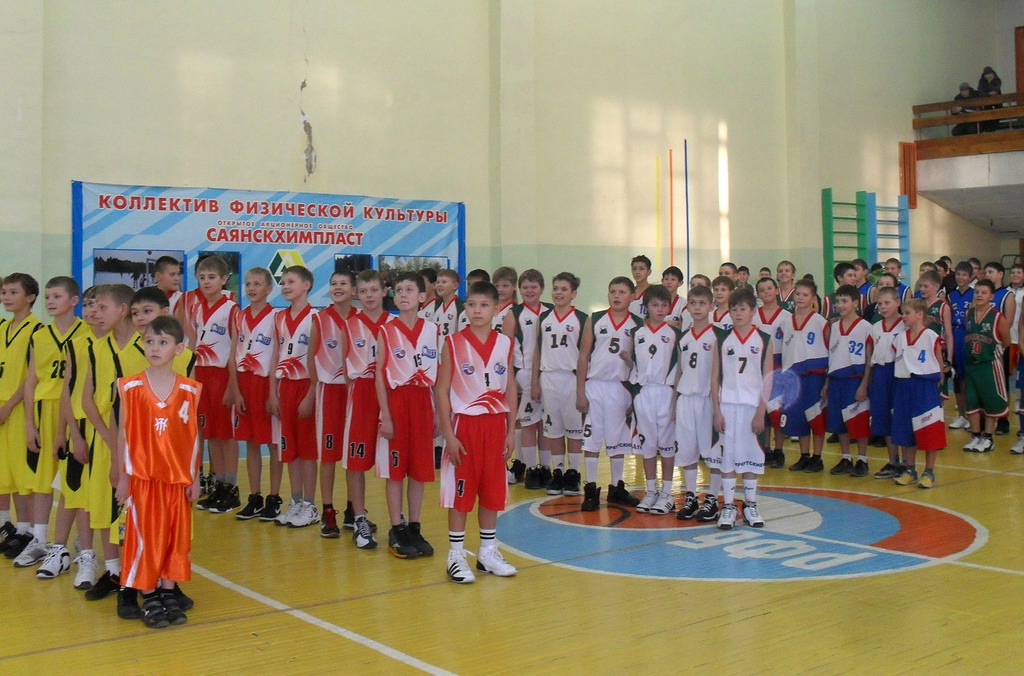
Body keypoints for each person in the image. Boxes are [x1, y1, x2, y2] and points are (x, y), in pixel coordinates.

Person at [114, 317, 202, 628]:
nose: (155, 347)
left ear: (179, 349)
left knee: (174, 539)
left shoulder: (189, 389)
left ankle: (167, 593)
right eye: (150, 341)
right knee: (145, 540)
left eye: (163, 342)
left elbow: (193, 436)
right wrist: (123, 478)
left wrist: (195, 476)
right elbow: (124, 434)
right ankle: (148, 594)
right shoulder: (130, 387)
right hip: (143, 479)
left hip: (176, 480)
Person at [437, 281, 518, 584]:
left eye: (484, 305)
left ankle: (487, 552)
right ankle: (456, 555)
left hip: (495, 425)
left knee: (492, 491)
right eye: (471, 304)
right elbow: (442, 390)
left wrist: (511, 431)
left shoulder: (505, 343)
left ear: (496, 309)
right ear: (465, 308)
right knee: (460, 493)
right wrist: (448, 434)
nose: (477, 310)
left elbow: (510, 387)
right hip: (465, 426)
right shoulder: (453, 342)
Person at [18, 277, 84, 577]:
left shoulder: (86, 333)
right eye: (47, 297)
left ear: (73, 300)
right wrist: (29, 423)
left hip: (74, 413)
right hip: (45, 411)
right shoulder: (40, 335)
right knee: (42, 481)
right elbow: (30, 381)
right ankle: (39, 540)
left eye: (57, 296)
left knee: (73, 481)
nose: (50, 302)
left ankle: (81, 544)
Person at [376, 272, 440, 559]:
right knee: (395, 471)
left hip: (423, 402)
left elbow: (439, 375)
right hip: (398, 401)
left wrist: (438, 414)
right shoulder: (387, 330)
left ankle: (414, 526)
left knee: (419, 470)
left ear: (422, 297)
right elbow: (379, 376)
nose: (403, 294)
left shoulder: (433, 330)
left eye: (410, 290)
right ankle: (397, 528)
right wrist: (386, 416)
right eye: (399, 290)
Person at [575, 277, 642, 510]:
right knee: (592, 440)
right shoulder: (595, 319)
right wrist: (580, 391)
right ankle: (591, 489)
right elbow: (583, 355)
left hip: (620, 387)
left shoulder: (638, 324)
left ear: (632, 296)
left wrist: (634, 392)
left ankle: (616, 487)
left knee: (618, 440)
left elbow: (640, 364)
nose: (616, 296)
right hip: (595, 385)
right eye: (613, 291)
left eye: (622, 292)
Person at [710, 287, 772, 529]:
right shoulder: (723, 339)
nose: (737, 313)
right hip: (727, 406)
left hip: (751, 408)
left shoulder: (764, 339)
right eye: (734, 309)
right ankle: (728, 506)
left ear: (753, 311)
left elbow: (768, 379)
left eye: (742, 309)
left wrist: (761, 412)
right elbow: (714, 378)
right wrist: (716, 410)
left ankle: (750, 504)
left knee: (751, 457)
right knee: (728, 458)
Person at [186, 255, 241, 513]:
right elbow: (193, 345)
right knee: (211, 434)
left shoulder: (231, 309)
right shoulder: (196, 308)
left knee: (227, 434)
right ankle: (218, 484)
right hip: (202, 375)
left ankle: (231, 487)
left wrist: (232, 383)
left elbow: (235, 348)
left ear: (224, 279)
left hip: (222, 375)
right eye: (202, 277)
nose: (206, 282)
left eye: (211, 277)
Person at [342, 270, 392, 548]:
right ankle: (359, 518)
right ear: (356, 294)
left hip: (390, 396)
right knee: (355, 459)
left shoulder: (394, 324)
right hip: (361, 394)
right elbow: (346, 369)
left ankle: (398, 520)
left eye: (374, 290)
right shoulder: (349, 325)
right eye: (363, 291)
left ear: (384, 291)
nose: (369, 295)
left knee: (394, 462)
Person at [267, 266, 319, 528]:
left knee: (307, 450)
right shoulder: (278, 317)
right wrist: (272, 391)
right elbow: (275, 355)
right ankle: (296, 501)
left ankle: (310, 505)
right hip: (285, 387)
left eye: (291, 281)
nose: (285, 286)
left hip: (305, 386)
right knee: (289, 449)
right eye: (283, 282)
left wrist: (311, 393)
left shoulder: (316, 317)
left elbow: (318, 358)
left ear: (306, 285)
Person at [308, 270, 357, 537]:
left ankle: (353, 509)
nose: (338, 287)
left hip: (354, 394)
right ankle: (328, 510)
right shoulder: (320, 318)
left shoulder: (360, 319)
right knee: (327, 456)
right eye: (333, 283)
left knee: (353, 456)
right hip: (329, 392)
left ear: (354, 290)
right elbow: (310, 358)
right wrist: (313, 390)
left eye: (343, 283)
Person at [0, 274, 44, 563]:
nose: (6, 297)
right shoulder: (3, 327)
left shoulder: (37, 330)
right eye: (4, 292)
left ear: (29, 297)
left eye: (13, 292)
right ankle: (10, 526)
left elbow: (30, 378)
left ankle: (26, 530)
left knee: (23, 474)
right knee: (5, 472)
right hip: (2, 406)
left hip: (18, 408)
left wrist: (8, 406)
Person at [231, 268, 281, 521]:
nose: (251, 288)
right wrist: (235, 389)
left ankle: (274, 497)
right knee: (250, 443)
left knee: (273, 443)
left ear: (269, 289)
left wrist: (273, 393)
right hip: (244, 383)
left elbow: (276, 357)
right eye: (248, 284)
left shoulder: (276, 317)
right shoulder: (239, 316)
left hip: (265, 384)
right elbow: (233, 354)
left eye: (257, 284)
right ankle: (255, 496)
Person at [532, 272, 588, 496]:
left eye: (564, 289)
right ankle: (559, 472)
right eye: (555, 288)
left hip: (571, 378)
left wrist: (583, 386)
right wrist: (534, 381)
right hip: (548, 377)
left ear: (573, 294)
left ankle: (573, 473)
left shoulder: (582, 319)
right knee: (553, 429)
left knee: (574, 429)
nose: (558, 292)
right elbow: (537, 351)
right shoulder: (544, 318)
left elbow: (585, 355)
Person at [628, 285, 681, 515]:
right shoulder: (637, 333)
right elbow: (634, 366)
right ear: (646, 307)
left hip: (665, 392)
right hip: (644, 393)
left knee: (667, 444)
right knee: (647, 444)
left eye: (664, 305)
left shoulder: (675, 334)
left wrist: (676, 398)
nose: (660, 309)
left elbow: (679, 369)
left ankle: (667, 493)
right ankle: (651, 490)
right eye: (655, 305)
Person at [502, 269, 552, 489]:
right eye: (525, 287)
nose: (530, 291)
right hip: (523, 373)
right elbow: (504, 349)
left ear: (541, 289)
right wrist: (510, 379)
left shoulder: (551, 311)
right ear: (519, 289)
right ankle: (531, 469)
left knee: (547, 424)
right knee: (529, 423)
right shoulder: (514, 313)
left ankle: (546, 469)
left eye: (534, 287)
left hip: (548, 373)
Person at [893, 299, 948, 488]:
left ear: (919, 314)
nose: (903, 316)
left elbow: (939, 363)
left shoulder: (931, 336)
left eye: (907, 312)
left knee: (929, 430)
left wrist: (939, 385)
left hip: (925, 387)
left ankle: (929, 472)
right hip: (904, 386)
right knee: (906, 431)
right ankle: (910, 470)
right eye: (903, 313)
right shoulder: (900, 338)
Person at [674, 284, 718, 520]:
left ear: (711, 306)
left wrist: (718, 407)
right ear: (687, 307)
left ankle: (713, 498)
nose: (697, 307)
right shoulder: (683, 337)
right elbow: (679, 371)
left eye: (702, 303)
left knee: (712, 453)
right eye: (693, 303)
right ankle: (691, 496)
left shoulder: (718, 335)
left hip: (707, 400)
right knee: (687, 452)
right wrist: (674, 402)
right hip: (685, 400)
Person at [823, 285, 873, 477]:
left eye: (845, 301)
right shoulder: (834, 327)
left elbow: (869, 359)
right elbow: (832, 357)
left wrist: (864, 384)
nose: (840, 305)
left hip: (855, 380)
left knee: (858, 421)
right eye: (838, 301)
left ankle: (862, 459)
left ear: (855, 303)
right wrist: (827, 383)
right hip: (837, 380)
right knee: (839, 422)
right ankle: (846, 457)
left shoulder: (865, 327)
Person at [782, 278, 830, 472]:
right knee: (799, 417)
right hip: (795, 376)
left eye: (805, 294)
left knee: (815, 417)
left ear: (813, 298)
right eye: (798, 294)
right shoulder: (787, 321)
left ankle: (817, 457)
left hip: (815, 376)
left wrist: (827, 381)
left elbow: (830, 351)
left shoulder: (820, 322)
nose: (800, 298)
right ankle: (804, 456)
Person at [962, 280, 1009, 453]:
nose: (979, 295)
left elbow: (1006, 341)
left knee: (991, 402)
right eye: (977, 292)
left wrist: (994, 353)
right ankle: (976, 435)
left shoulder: (997, 317)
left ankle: (988, 437)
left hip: (989, 366)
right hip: (971, 365)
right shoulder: (968, 314)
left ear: (992, 296)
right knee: (972, 401)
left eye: (984, 292)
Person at [754, 277, 791, 468]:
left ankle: (779, 449)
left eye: (769, 288)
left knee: (777, 410)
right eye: (762, 290)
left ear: (776, 290)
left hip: (778, 365)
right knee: (763, 410)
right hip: (758, 365)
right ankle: (765, 448)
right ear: (758, 294)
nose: (766, 292)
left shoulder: (786, 316)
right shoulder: (753, 315)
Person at [869, 287, 906, 478]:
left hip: (899, 374)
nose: (883, 307)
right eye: (880, 304)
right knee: (883, 418)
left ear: (898, 302)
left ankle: (907, 463)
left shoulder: (905, 325)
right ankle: (893, 461)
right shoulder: (875, 327)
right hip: (880, 374)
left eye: (887, 303)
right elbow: (871, 356)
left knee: (901, 418)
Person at [947, 262, 975, 430]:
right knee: (958, 379)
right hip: (955, 336)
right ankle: (962, 415)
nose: (960, 277)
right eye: (958, 274)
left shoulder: (975, 294)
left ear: (970, 277)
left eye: (964, 274)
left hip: (969, 336)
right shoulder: (951, 295)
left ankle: (973, 416)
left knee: (970, 379)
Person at [432, 269, 466, 337]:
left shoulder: (461, 307)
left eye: (444, 282)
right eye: (438, 282)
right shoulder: (436, 306)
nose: (439, 285)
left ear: (455, 285)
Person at [490, 266, 518, 334]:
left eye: (505, 286)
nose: (500, 290)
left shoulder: (516, 311)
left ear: (514, 286)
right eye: (497, 286)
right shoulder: (488, 308)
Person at [977, 66, 1002, 133]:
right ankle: (989, 127)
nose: (988, 76)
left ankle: (994, 126)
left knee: (999, 111)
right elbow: (980, 92)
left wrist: (990, 82)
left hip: (997, 100)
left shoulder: (997, 80)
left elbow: (996, 90)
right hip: (986, 101)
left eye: (990, 74)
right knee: (987, 112)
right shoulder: (982, 81)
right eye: (986, 74)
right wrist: (988, 94)